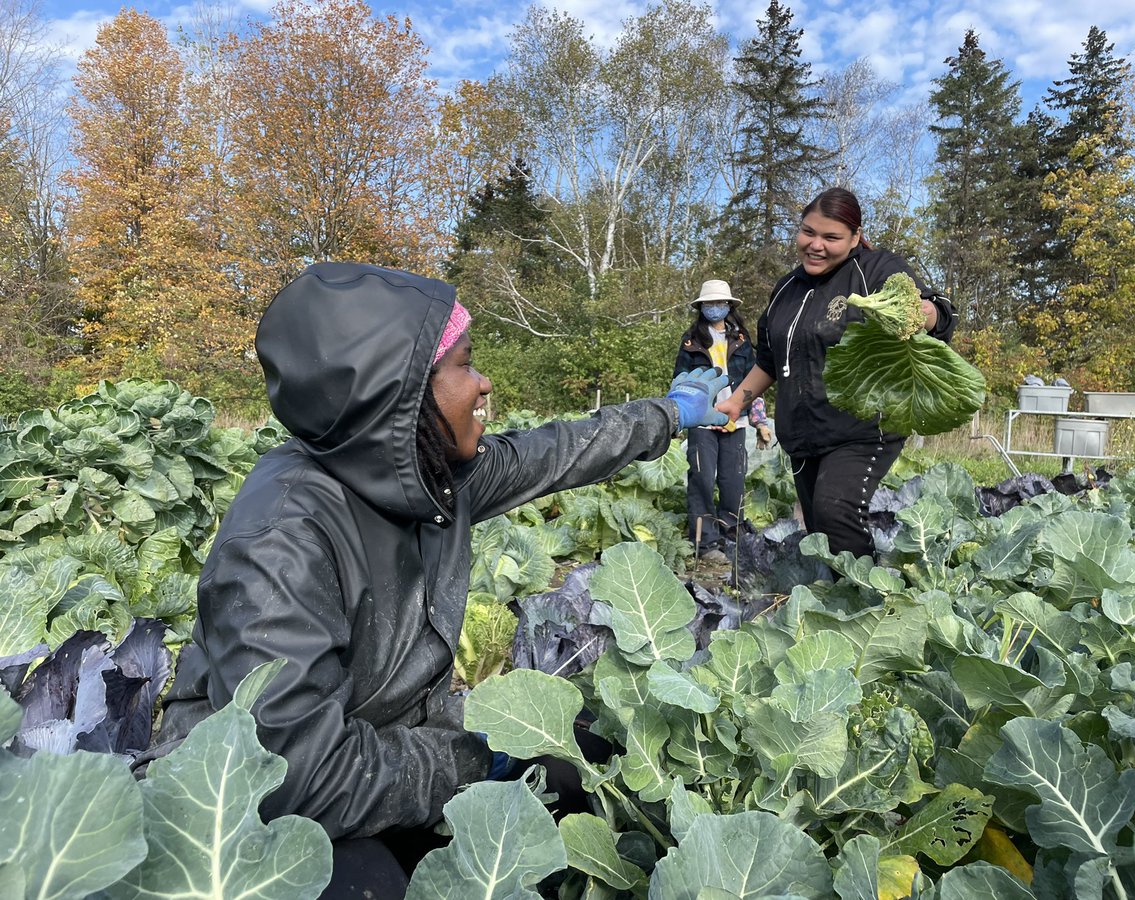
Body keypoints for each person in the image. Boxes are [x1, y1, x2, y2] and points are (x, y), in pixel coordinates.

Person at [141, 263, 729, 898]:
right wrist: (474, 759)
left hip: (390, 743)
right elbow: (300, 775)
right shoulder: (281, 541)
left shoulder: (437, 474)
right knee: (365, 884)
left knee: (585, 766)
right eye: (465, 364)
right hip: (248, 800)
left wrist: (668, 413)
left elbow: (558, 450)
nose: (484, 382)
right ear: (400, 395)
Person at [715, 188, 956, 559]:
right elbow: (769, 360)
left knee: (836, 511)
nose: (816, 245)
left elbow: (938, 312)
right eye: (808, 232)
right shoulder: (787, 289)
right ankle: (836, 606)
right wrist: (735, 402)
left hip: (862, 426)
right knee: (820, 534)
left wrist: (925, 313)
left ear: (856, 237)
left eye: (831, 238)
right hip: (803, 433)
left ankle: (869, 602)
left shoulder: (876, 270)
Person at [674, 279, 771, 553]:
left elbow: (755, 381)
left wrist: (760, 421)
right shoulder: (691, 341)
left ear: (729, 306)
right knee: (702, 479)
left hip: (735, 420)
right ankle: (705, 542)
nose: (714, 308)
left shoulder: (741, 339)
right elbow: (680, 381)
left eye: (719, 303)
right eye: (709, 304)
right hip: (702, 420)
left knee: (733, 480)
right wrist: (678, 417)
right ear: (701, 307)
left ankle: (732, 539)